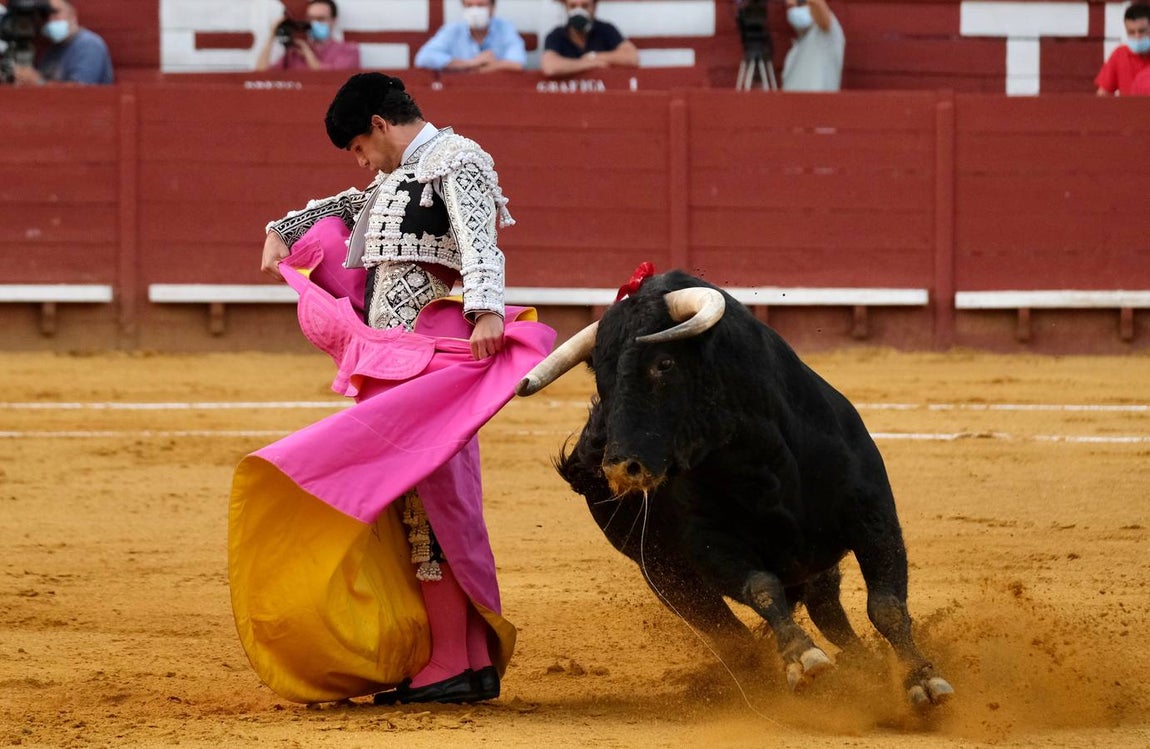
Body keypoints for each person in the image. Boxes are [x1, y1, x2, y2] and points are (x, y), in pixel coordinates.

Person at [257, 73, 524, 704]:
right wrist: (286, 226)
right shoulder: (394, 177)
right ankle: (461, 659)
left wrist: (487, 309)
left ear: (379, 125)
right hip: (396, 365)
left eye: (357, 147)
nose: (360, 162)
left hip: (432, 364)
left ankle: (455, 663)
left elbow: (479, 238)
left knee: (437, 507)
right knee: (416, 507)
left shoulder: (459, 159)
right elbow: (349, 205)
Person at [11, 0, 113, 85]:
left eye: (55, 12)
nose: (50, 19)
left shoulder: (89, 45)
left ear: (72, 14)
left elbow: (79, 94)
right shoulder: (52, 51)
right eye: (45, 15)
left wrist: (38, 82)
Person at [414, 0, 525, 73]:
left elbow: (517, 63)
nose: (475, 10)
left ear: (492, 7)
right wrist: (471, 63)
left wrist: (479, 69)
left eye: (481, 5)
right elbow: (424, 58)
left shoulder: (505, 28)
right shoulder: (453, 30)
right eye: (469, 6)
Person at [540, 0, 639, 78]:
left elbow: (632, 57)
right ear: (566, 7)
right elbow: (550, 66)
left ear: (594, 7)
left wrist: (593, 56)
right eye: (573, 6)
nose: (578, 11)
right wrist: (587, 64)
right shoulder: (557, 35)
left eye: (585, 6)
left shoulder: (606, 30)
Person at [255, 0, 359, 72]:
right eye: (310, 19)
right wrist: (272, 35)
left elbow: (331, 79)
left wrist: (308, 54)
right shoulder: (295, 53)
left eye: (320, 19)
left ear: (333, 20)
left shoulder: (349, 51)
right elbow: (260, 73)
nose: (314, 23)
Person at [781, 0, 844, 92]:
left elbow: (817, 4)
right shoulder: (797, 47)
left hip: (819, 103)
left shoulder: (828, 32)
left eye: (800, 5)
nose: (793, 10)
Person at [1095, 3, 1150, 96]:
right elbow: (1103, 95)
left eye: (1142, 31)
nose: (1137, 36)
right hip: (1127, 109)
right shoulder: (1120, 55)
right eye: (1131, 32)